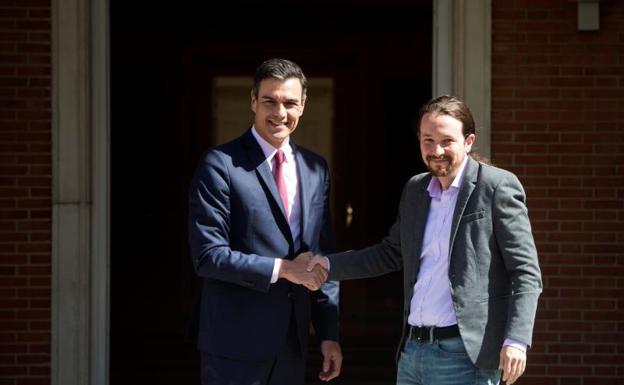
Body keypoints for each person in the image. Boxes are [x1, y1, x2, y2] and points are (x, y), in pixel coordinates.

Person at [308, 95, 542, 385]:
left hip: (465, 357)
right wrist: (327, 265)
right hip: (412, 352)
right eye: (428, 140)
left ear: (469, 141)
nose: (436, 150)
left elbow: (526, 272)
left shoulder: (496, 187)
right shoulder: (416, 189)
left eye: (447, 141)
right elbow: (390, 253)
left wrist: (517, 339)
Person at [188, 58, 342, 385]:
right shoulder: (220, 165)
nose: (280, 112)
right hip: (234, 344)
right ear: (253, 101)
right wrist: (284, 268)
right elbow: (207, 256)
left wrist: (329, 333)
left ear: (303, 106)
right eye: (270, 101)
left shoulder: (316, 169)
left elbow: (322, 255)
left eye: (290, 103)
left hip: (292, 343)